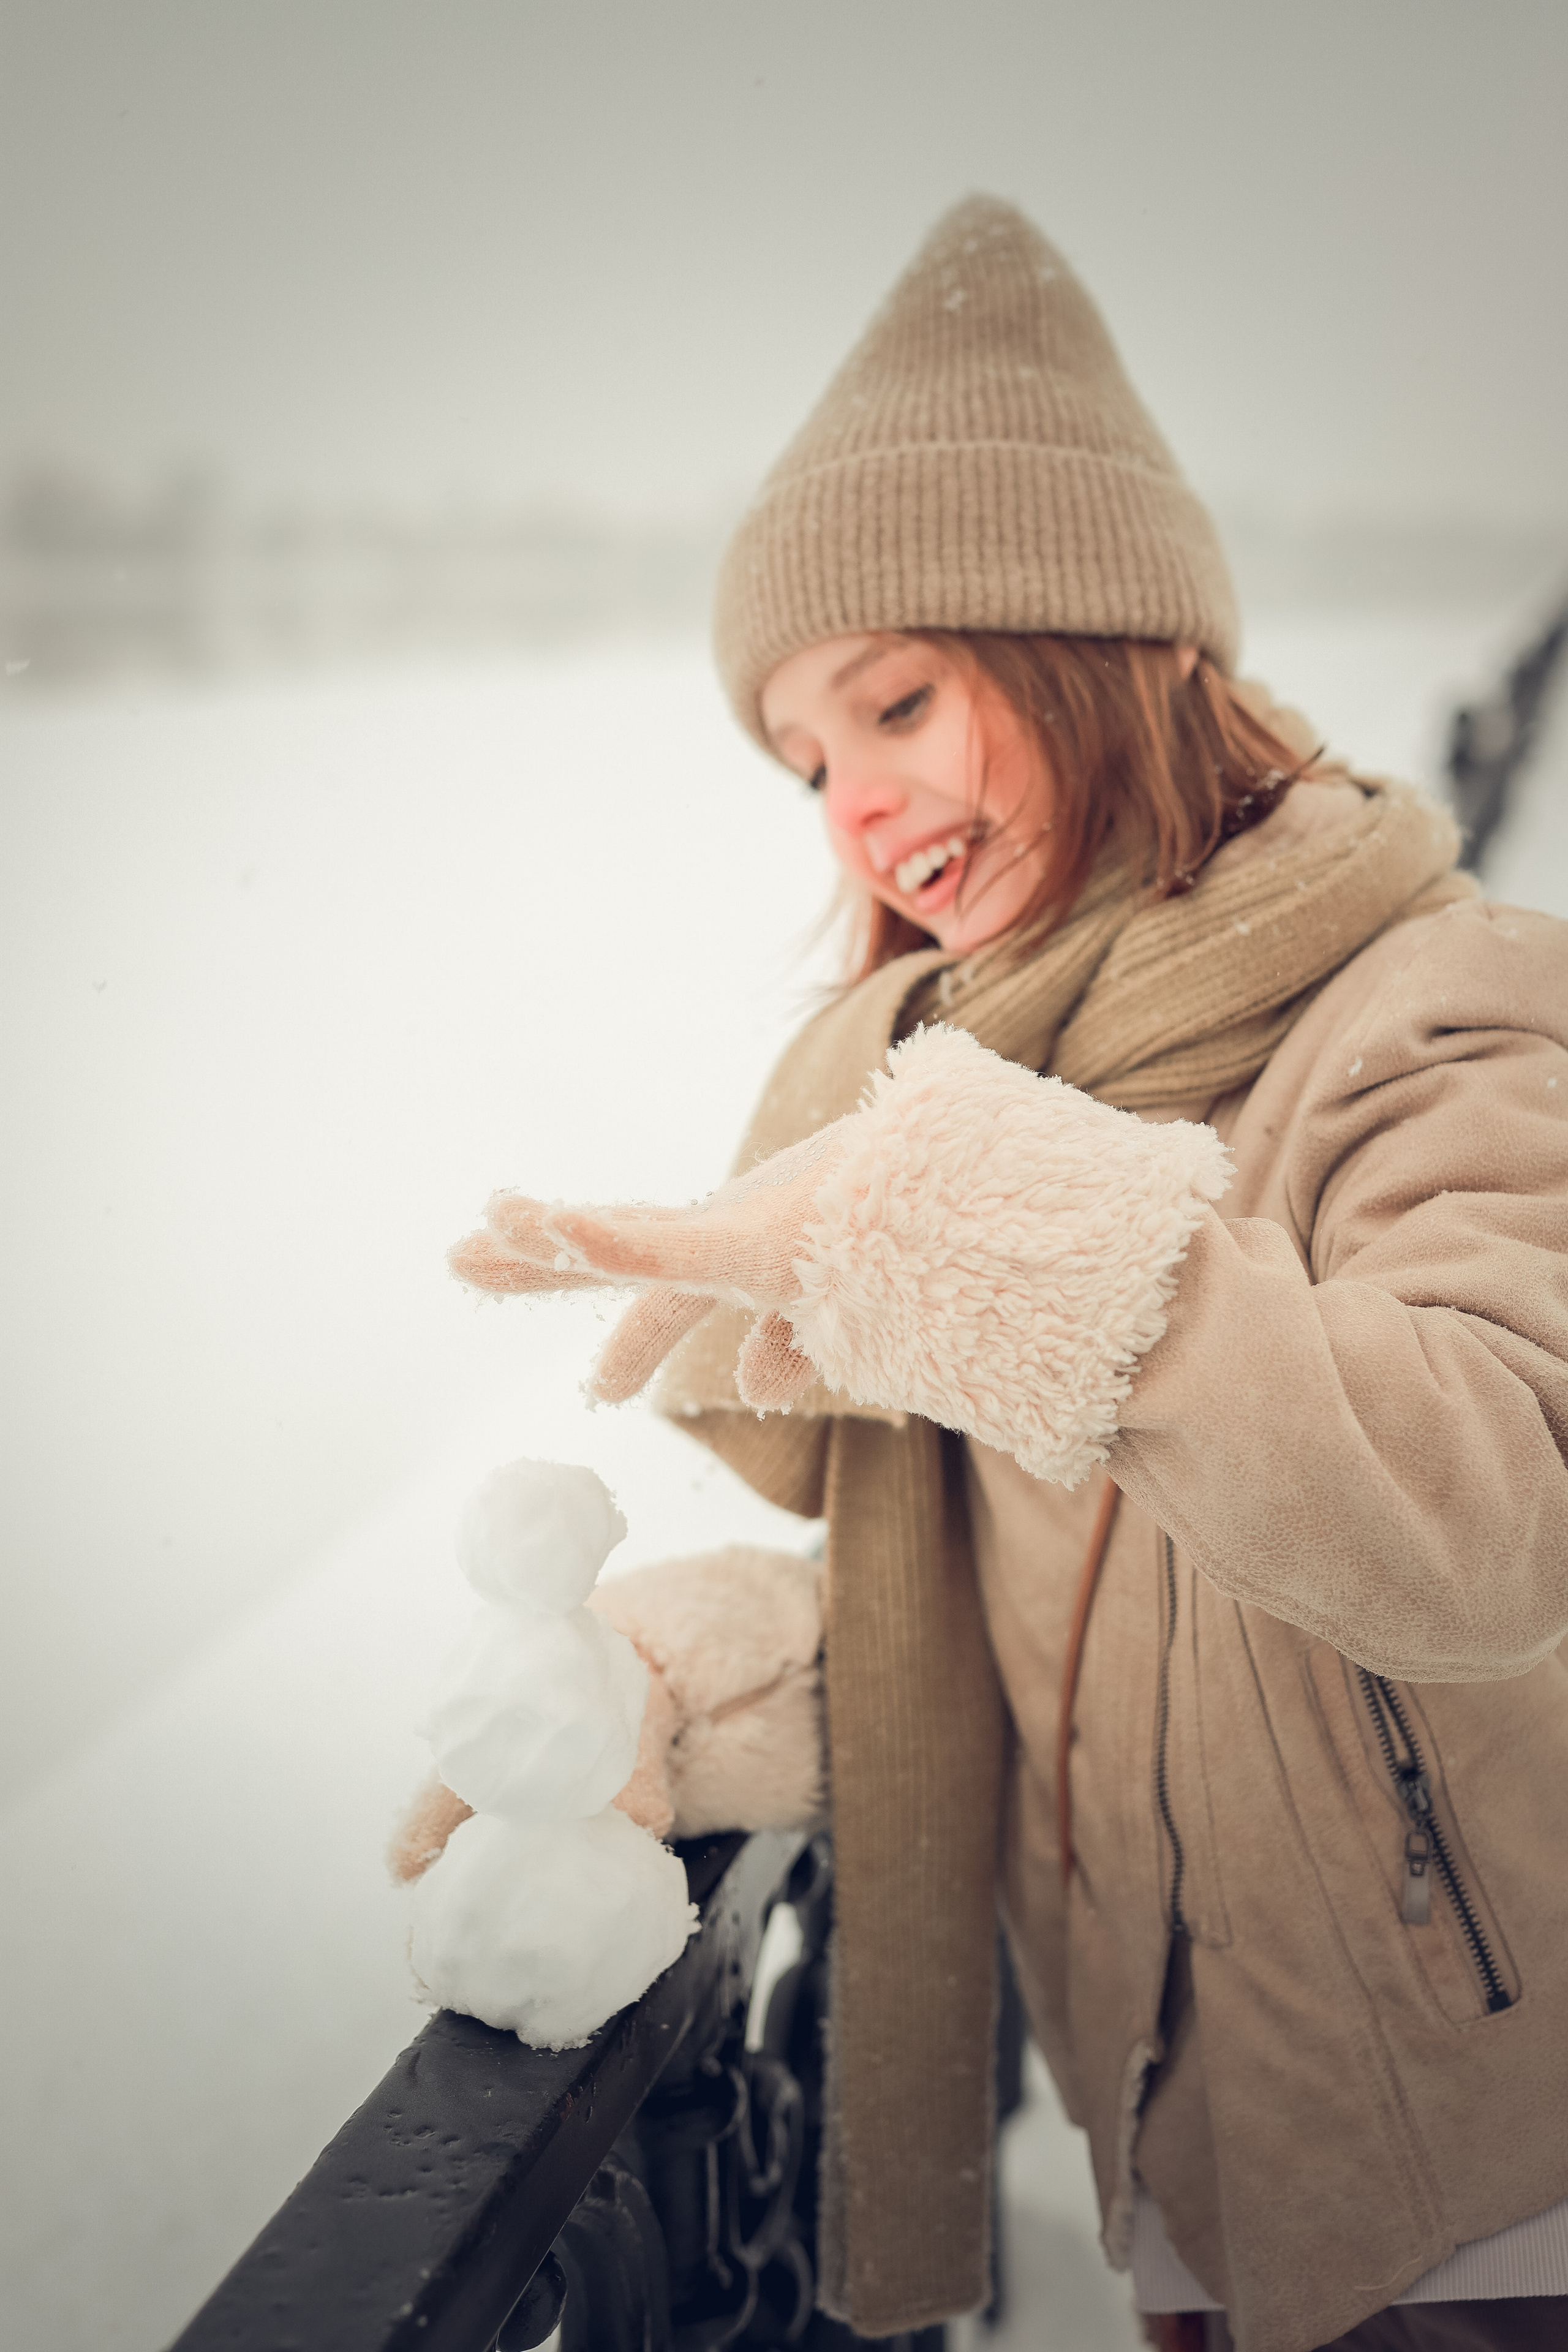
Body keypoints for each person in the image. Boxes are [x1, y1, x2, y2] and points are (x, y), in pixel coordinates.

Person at [450, 197, 1568, 2352]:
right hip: (1194, 2179)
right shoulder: (976, 1073)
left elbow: (1491, 1513)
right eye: (810, 761)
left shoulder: (1447, 1009)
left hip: (1496, 2209)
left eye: (900, 700)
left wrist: (994, 1231)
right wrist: (722, 1682)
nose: (861, 808)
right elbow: (1091, 1608)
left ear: (1103, 643)